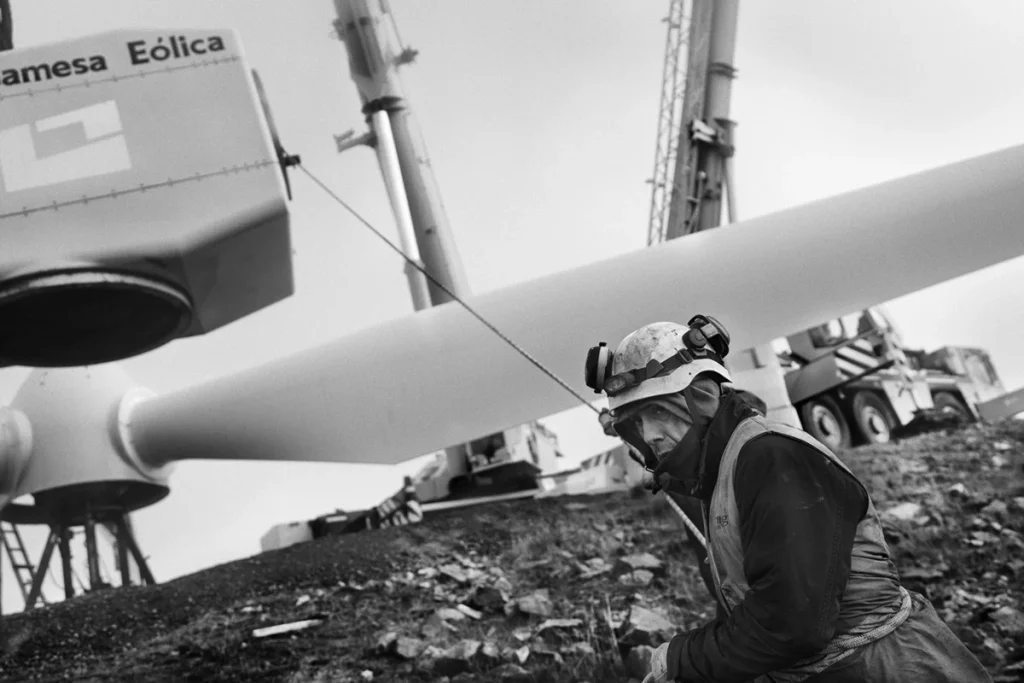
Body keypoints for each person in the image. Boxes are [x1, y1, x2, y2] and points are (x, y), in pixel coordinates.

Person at [584, 317, 992, 683]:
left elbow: (792, 623)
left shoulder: (772, 457)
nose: (650, 433)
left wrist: (680, 658)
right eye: (636, 423)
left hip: (885, 668)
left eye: (658, 411)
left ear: (702, 397)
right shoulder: (723, 472)